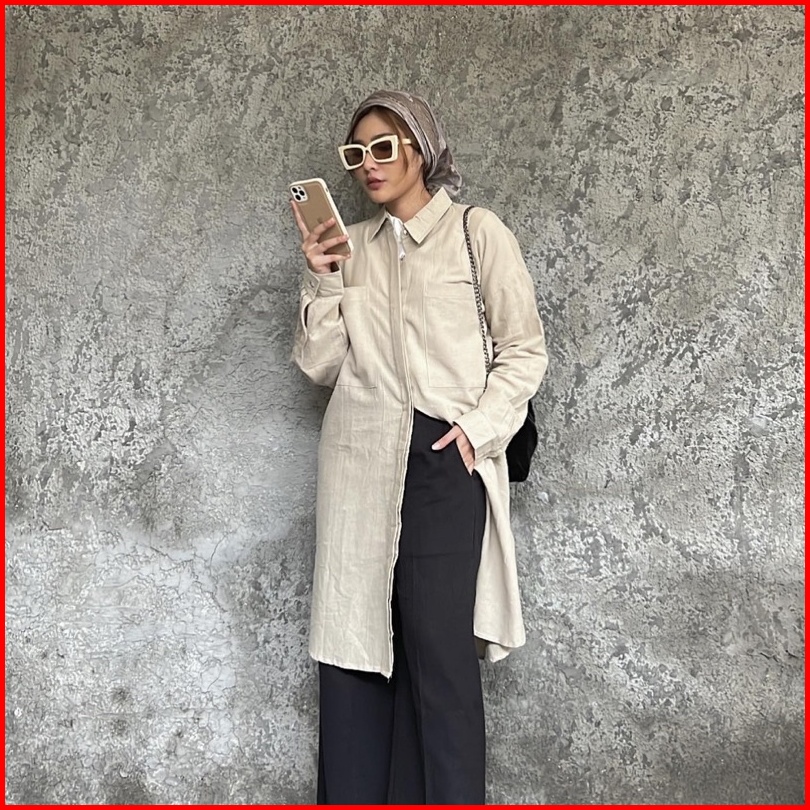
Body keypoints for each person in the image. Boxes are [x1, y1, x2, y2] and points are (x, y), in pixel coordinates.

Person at [290, 89, 548, 805]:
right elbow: (321, 366)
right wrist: (323, 275)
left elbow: (524, 350)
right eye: (356, 153)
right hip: (358, 460)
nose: (367, 165)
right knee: (352, 645)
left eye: (383, 147)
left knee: (439, 652)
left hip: (443, 461)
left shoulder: (476, 231)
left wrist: (476, 433)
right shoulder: (353, 247)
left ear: (421, 150)